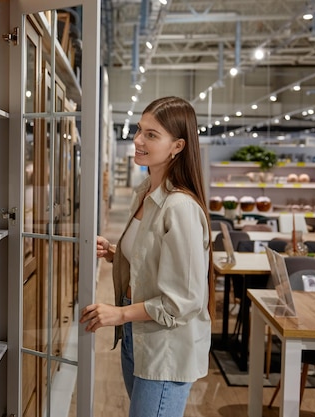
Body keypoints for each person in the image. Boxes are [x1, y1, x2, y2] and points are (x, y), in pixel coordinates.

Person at [80, 96, 215, 417]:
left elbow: (184, 300)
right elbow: (155, 258)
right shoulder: (145, 193)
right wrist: (116, 254)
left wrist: (120, 315)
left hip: (165, 346)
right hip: (138, 335)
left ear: (177, 146)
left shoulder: (179, 208)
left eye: (151, 135)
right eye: (140, 130)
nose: (138, 140)